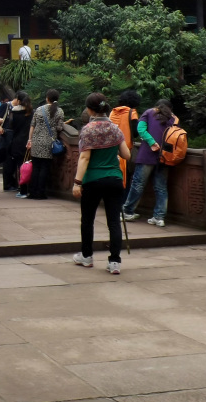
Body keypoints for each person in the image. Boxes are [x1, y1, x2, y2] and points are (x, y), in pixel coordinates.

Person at [71, 93, 132, 274]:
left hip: (93, 180)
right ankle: (114, 261)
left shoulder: (88, 130)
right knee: (114, 221)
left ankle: (87, 256)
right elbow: (127, 155)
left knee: (88, 220)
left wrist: (77, 182)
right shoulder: (114, 129)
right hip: (114, 178)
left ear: (89, 109)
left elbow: (84, 157)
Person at [121, 99, 177, 227]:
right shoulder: (173, 118)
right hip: (165, 157)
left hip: (147, 154)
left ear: (157, 105)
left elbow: (141, 130)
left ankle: (127, 211)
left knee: (138, 184)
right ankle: (159, 217)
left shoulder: (149, 113)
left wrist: (152, 143)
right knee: (161, 187)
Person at [26, 89, 65, 200]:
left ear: (47, 98)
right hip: (49, 142)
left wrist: (30, 140)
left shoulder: (39, 109)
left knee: (36, 167)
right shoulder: (59, 111)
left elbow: (32, 125)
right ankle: (41, 193)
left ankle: (32, 192)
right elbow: (59, 127)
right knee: (44, 168)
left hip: (36, 140)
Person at [0, 90, 32, 195]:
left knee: (14, 162)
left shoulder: (15, 112)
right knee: (16, 163)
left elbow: (12, 125)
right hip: (20, 139)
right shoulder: (29, 111)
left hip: (13, 138)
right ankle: (17, 186)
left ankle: (16, 185)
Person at [109, 90, 141, 188]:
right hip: (125, 151)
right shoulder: (132, 113)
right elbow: (135, 133)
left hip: (111, 151)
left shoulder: (112, 112)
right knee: (126, 180)